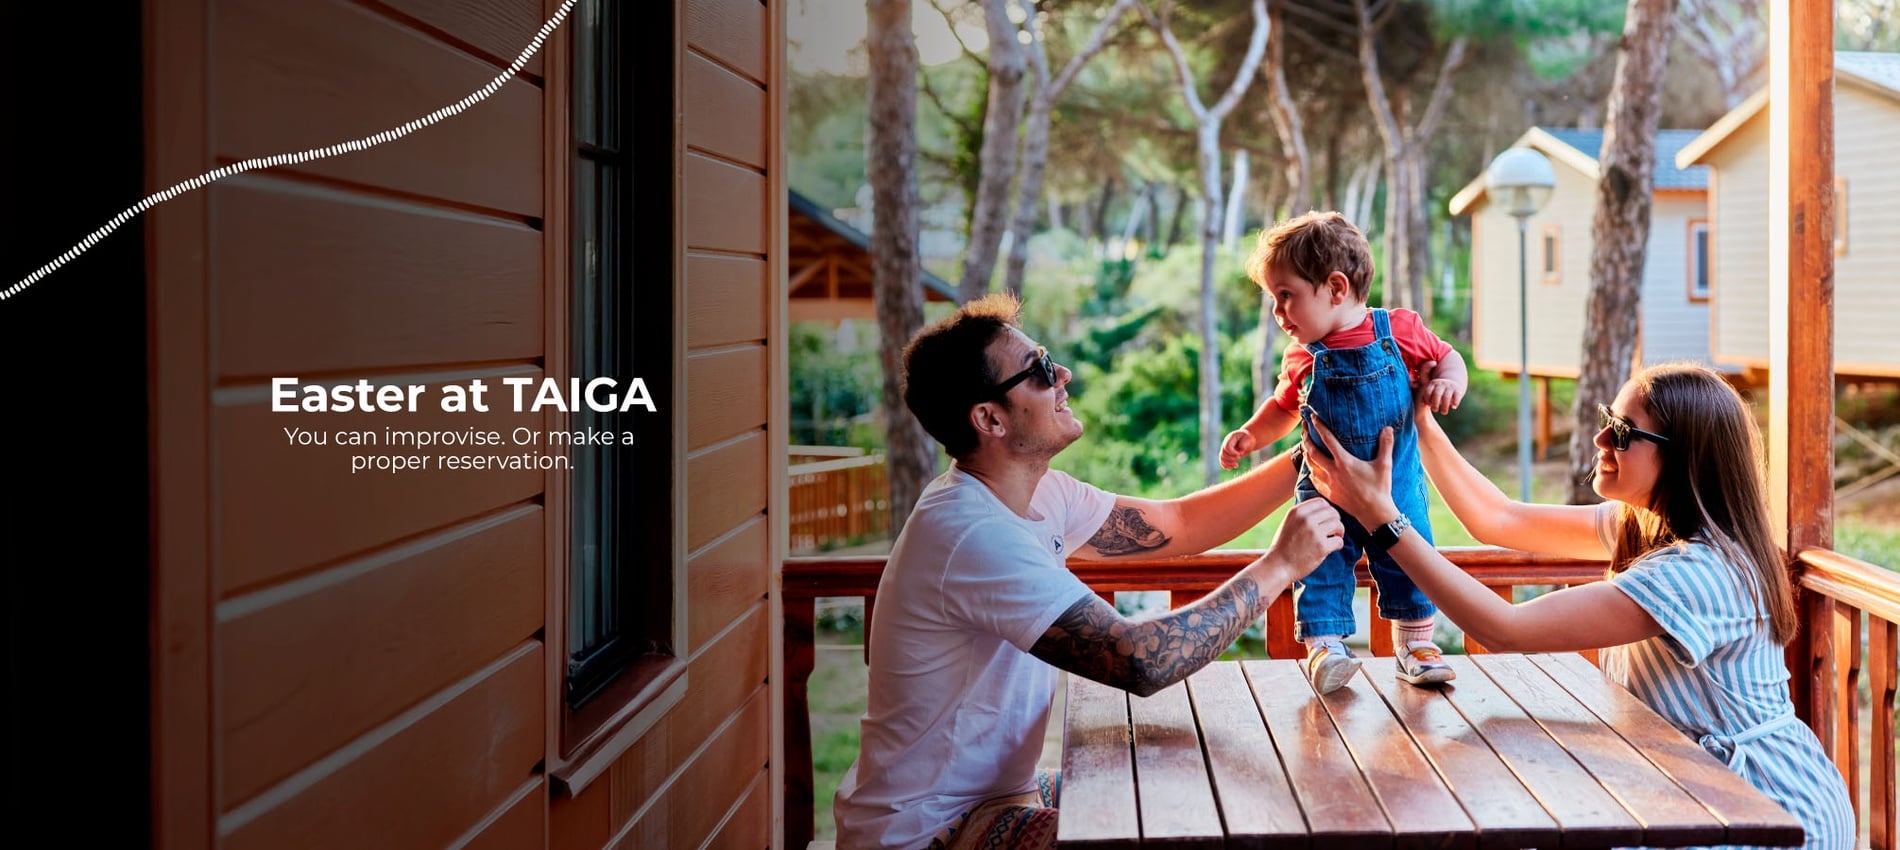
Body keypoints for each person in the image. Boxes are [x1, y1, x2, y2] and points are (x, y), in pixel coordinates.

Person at [832, 293, 1343, 850]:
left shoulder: (1039, 493)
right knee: (1157, 829)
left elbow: (1179, 523)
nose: (1064, 375)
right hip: (927, 833)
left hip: (995, 799)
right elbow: (1141, 660)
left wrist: (1315, 450)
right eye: (1041, 371)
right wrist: (1280, 567)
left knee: (1164, 783)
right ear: (989, 419)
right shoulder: (970, 533)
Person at [1302, 362, 1856, 850]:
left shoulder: (1700, 572)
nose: (1599, 439)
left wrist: (1382, 518)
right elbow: (1500, 520)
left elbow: (1505, 627)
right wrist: (1420, 420)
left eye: (1620, 432)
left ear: (1683, 459)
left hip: (1769, 807)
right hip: (1694, 790)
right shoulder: (1646, 526)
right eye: (1604, 419)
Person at [1218, 210, 1469, 694]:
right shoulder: (1302, 356)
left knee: (1410, 559)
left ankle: (1415, 646)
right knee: (1320, 563)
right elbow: (1283, 407)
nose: (1277, 312)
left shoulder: (1398, 330)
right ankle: (1325, 648)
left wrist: (1447, 382)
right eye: (1274, 299)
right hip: (1323, 489)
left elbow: (1447, 356)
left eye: (1285, 295)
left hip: (1394, 484)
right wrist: (1251, 435)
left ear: (1334, 288)